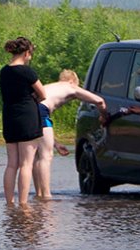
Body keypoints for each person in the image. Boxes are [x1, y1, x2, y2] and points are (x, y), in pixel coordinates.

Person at [33, 69, 107, 199]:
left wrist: (56, 144)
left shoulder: (50, 87)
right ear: (72, 81)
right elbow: (99, 101)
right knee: (46, 156)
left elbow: (42, 129)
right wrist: (103, 116)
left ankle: (39, 193)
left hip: (30, 109)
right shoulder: (70, 87)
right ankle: (46, 196)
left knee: (37, 155)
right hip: (42, 110)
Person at [0, 37, 46, 206]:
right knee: (26, 164)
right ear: (27, 53)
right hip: (27, 117)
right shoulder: (28, 72)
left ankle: (9, 202)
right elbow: (43, 94)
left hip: (9, 117)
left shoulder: (4, 71)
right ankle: (24, 203)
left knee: (12, 164)